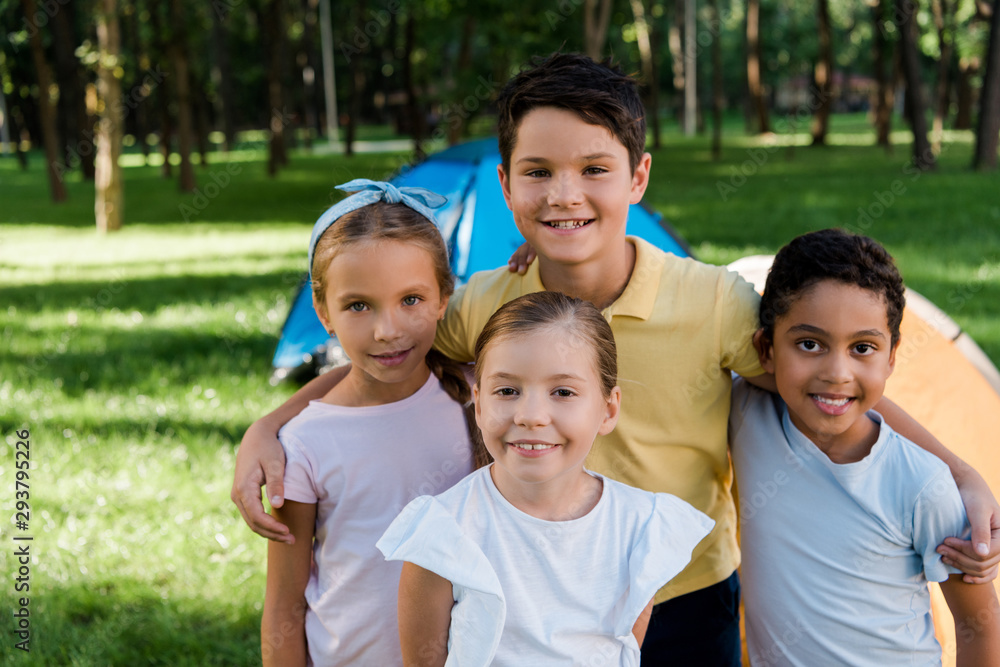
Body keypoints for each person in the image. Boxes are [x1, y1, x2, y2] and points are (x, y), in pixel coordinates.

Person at [236, 54, 1000, 664]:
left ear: (637, 177)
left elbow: (825, 390)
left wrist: (958, 467)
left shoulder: (714, 303)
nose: (565, 194)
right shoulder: (482, 304)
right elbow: (387, 358)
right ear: (505, 185)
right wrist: (273, 422)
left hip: (689, 596)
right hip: (539, 600)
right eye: (537, 172)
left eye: (594, 169)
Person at [378, 291, 715, 666]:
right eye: (507, 390)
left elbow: (622, 648)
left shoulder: (641, 526)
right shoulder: (443, 531)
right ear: (479, 400)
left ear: (608, 409)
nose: (531, 415)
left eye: (563, 392)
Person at [730, 229, 1000, 666]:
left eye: (862, 348)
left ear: (892, 357)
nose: (837, 372)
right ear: (766, 348)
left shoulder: (924, 485)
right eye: (809, 344)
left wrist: (960, 472)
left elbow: (981, 625)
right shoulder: (746, 411)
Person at [260, 180, 482, 667]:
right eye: (358, 305)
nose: (388, 330)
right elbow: (283, 603)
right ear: (323, 313)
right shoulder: (304, 441)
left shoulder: (479, 401)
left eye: (411, 300)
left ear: (444, 297)